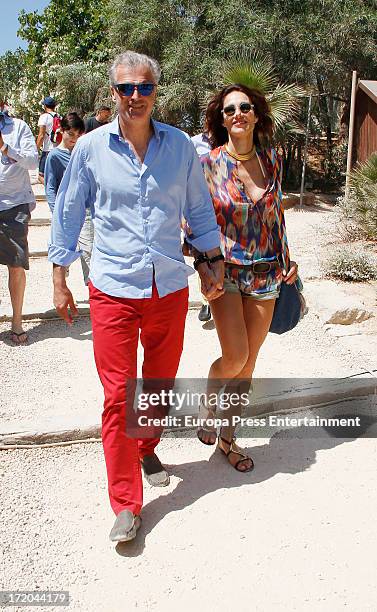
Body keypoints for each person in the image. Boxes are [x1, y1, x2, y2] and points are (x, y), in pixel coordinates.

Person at [48, 51, 224, 543]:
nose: (135, 97)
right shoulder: (90, 149)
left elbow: (199, 210)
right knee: (116, 396)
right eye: (126, 89)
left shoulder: (180, 149)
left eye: (144, 88)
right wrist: (59, 275)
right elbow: (68, 212)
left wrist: (211, 262)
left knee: (159, 384)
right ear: (113, 94)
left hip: (167, 286)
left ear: (155, 91)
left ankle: (146, 444)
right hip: (112, 289)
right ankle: (126, 504)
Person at [195, 84, 298, 471]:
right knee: (234, 356)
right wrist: (204, 266)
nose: (237, 113)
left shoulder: (272, 159)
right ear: (221, 120)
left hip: (267, 272)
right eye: (229, 110)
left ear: (255, 114)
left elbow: (276, 215)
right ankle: (210, 399)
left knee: (250, 364)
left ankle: (228, 439)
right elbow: (194, 222)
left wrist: (289, 259)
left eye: (244, 107)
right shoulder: (209, 165)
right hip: (227, 274)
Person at [0, 100, 39, 343]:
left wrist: (5, 148)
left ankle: (16, 322)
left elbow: (33, 162)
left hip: (13, 205)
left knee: (15, 264)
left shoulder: (19, 127)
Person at [44, 112, 93, 285]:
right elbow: (50, 186)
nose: (74, 138)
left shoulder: (83, 153)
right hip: (65, 211)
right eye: (70, 134)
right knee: (63, 252)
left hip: (85, 211)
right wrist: (55, 210)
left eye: (78, 135)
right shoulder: (54, 156)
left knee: (89, 251)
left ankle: (92, 289)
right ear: (61, 131)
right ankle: (61, 287)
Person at [191, 131, 212, 322]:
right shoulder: (193, 143)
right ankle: (206, 301)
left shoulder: (230, 140)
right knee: (202, 253)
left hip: (226, 208)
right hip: (201, 206)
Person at [36, 96, 59, 184]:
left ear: (45, 106)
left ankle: (51, 192)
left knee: (41, 176)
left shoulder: (44, 117)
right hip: (58, 149)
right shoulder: (59, 116)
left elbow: (41, 135)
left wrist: (36, 149)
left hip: (47, 150)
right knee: (55, 175)